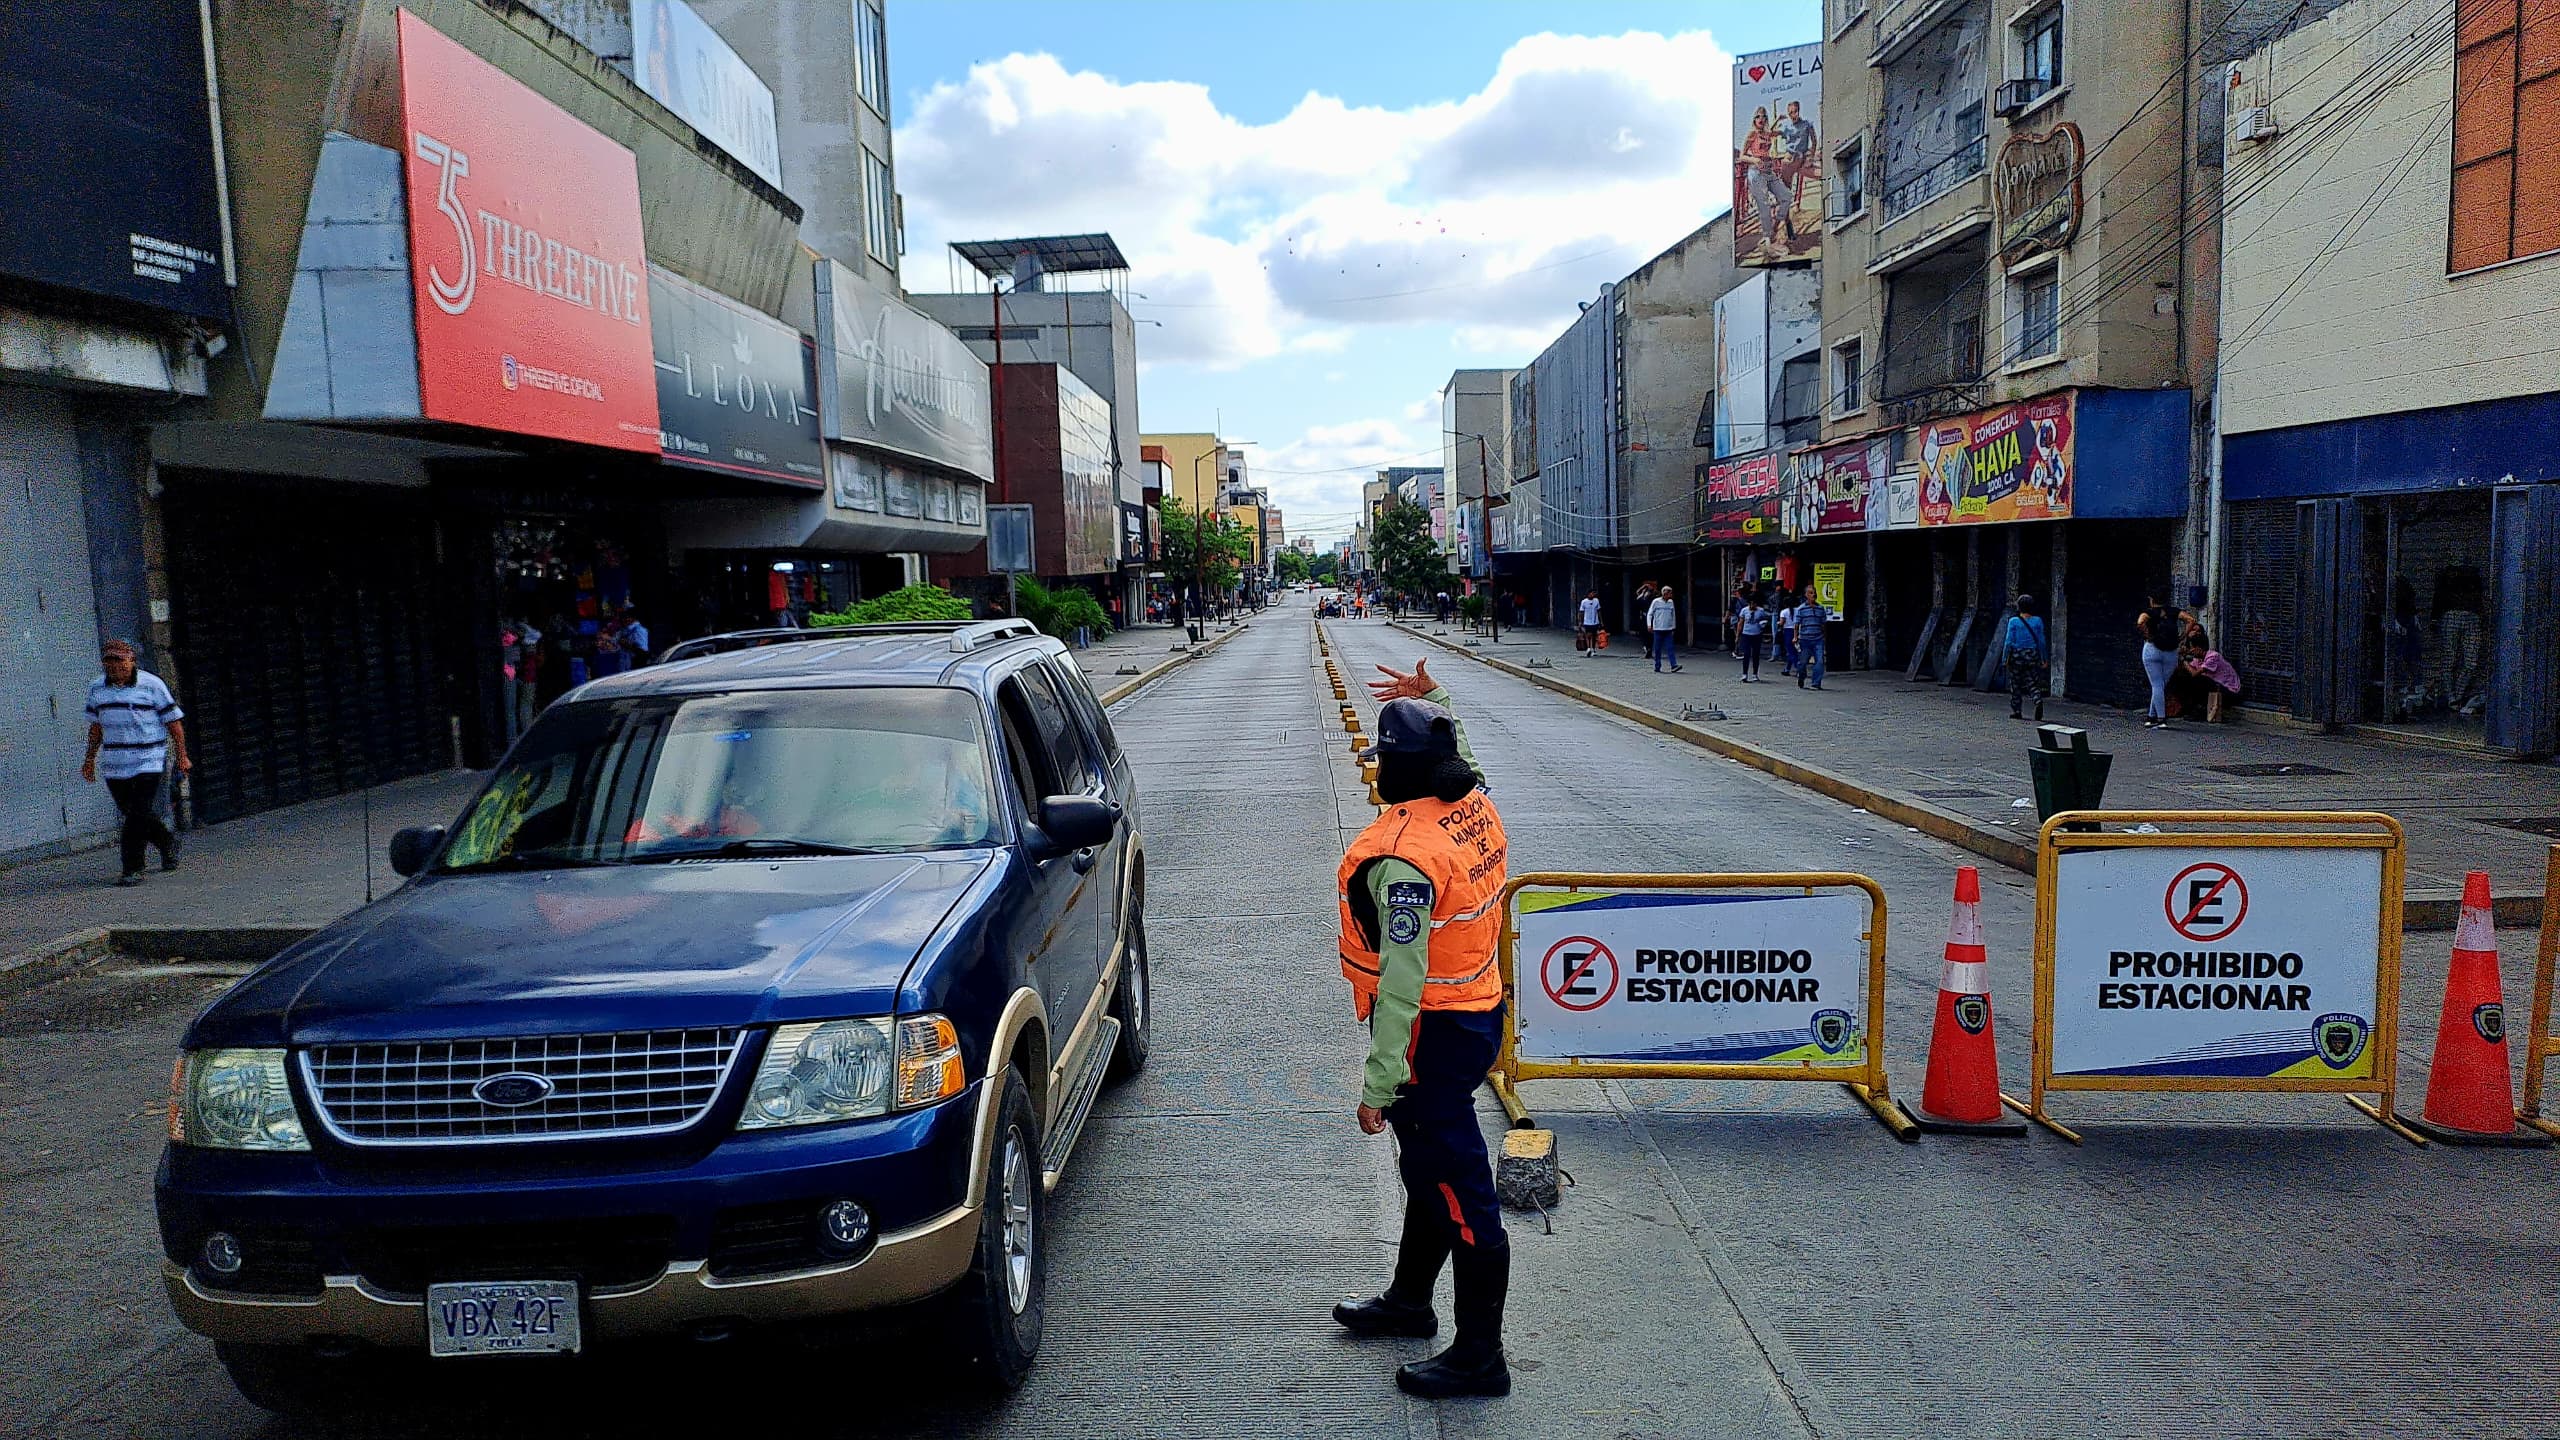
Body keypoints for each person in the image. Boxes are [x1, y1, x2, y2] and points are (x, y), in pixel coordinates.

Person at [1335, 658, 1511, 1399]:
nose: (1372, 776)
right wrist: (1433, 702)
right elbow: (1461, 753)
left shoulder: (1405, 857)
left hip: (1429, 1037)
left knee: (1464, 1196)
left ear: (1396, 774)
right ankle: (1410, 1301)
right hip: (1477, 1014)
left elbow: (1402, 984)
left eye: (1379, 764)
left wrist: (1379, 1084)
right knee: (1429, 1173)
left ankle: (1480, 1357)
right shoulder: (1471, 802)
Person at [81, 639, 189, 886]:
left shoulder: (152, 685)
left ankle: (133, 867)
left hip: (148, 760)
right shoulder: (97, 688)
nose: (114, 666)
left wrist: (182, 755)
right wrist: (89, 759)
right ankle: (167, 841)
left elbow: (174, 724)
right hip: (115, 763)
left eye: (119, 660)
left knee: (136, 815)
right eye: (109, 661)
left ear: (131, 660)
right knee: (132, 812)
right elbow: (96, 728)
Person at [2171, 630, 2245, 723]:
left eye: (2192, 648)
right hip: (2216, 689)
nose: (2191, 651)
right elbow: (2189, 670)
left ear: (2198, 648)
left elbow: (2194, 673)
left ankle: (2200, 710)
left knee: (2200, 680)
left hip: (2229, 692)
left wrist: (2184, 661)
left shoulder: (2213, 656)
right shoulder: (2198, 659)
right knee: (2182, 677)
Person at [2136, 590, 2182, 728]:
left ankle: (2161, 719)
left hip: (2152, 649)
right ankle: (2151, 716)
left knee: (2157, 685)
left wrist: (2148, 635)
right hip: (2171, 652)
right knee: (2160, 685)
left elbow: (2140, 622)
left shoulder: (2149, 613)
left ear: (2151, 599)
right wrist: (2182, 636)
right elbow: (2191, 620)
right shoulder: (2174, 611)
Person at [2003, 594, 2050, 721]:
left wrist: (2005, 658)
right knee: (2032, 681)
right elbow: (2041, 641)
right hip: (2032, 655)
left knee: (2015, 684)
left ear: (2019, 607)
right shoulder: (2038, 621)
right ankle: (2037, 699)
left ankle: (2017, 711)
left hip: (2016, 655)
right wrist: (2044, 659)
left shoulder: (2013, 621)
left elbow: (2008, 641)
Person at [1791, 589, 1830, 690]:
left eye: (1814, 593)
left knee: (1820, 661)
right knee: (1803, 662)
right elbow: (1796, 624)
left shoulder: (1820, 608)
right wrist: (1795, 637)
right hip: (1805, 639)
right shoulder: (1801, 609)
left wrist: (1824, 637)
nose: (1814, 595)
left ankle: (1816, 683)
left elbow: (1823, 624)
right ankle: (1801, 676)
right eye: (1811, 593)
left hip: (1818, 639)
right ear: (1806, 595)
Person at [1647, 584, 1681, 673]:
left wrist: (1673, 627)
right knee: (1657, 649)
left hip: (1668, 629)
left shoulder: (1671, 603)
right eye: (1670, 593)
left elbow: (1673, 616)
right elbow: (1650, 613)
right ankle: (1657, 666)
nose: (1671, 595)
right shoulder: (1656, 602)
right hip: (1658, 629)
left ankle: (1674, 665)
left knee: (1670, 648)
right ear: (1665, 594)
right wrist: (1649, 625)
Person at [1737, 594, 1769, 681]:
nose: (1752, 606)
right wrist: (1738, 635)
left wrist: (1763, 624)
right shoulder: (1744, 611)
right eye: (1750, 604)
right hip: (1746, 634)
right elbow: (1740, 623)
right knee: (1746, 654)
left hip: (1757, 634)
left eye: (1754, 604)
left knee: (1756, 655)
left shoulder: (1761, 611)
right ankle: (1744, 674)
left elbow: (1765, 620)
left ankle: (1755, 674)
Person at [1773, 588, 1801, 678]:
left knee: (1791, 652)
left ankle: (1798, 669)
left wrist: (1777, 623)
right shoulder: (1798, 610)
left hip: (1788, 631)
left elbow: (1781, 623)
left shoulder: (1784, 612)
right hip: (1797, 630)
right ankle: (1787, 669)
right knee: (1793, 651)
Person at [1577, 590, 1602, 655]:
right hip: (1587, 621)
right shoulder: (1584, 602)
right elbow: (1581, 612)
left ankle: (1593, 649)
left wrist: (1601, 621)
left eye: (1594, 593)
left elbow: (1599, 611)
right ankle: (1588, 648)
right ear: (1588, 594)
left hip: (1595, 621)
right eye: (1591, 593)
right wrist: (1580, 622)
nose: (1593, 595)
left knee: (1594, 636)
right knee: (1588, 635)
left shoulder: (1596, 601)